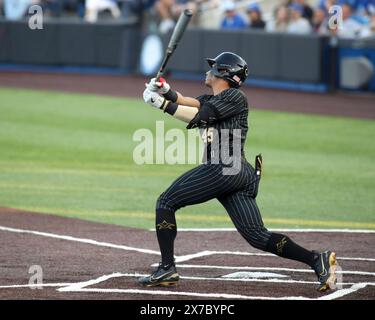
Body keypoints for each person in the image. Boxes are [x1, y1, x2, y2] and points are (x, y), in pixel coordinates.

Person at [139, 51, 338, 292]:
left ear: (224, 73)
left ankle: (167, 268)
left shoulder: (235, 97)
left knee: (166, 202)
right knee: (258, 236)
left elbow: (201, 116)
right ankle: (317, 259)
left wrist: (160, 104)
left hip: (224, 168)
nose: (208, 70)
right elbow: (187, 101)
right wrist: (163, 89)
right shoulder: (219, 97)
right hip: (238, 173)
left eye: (213, 67)